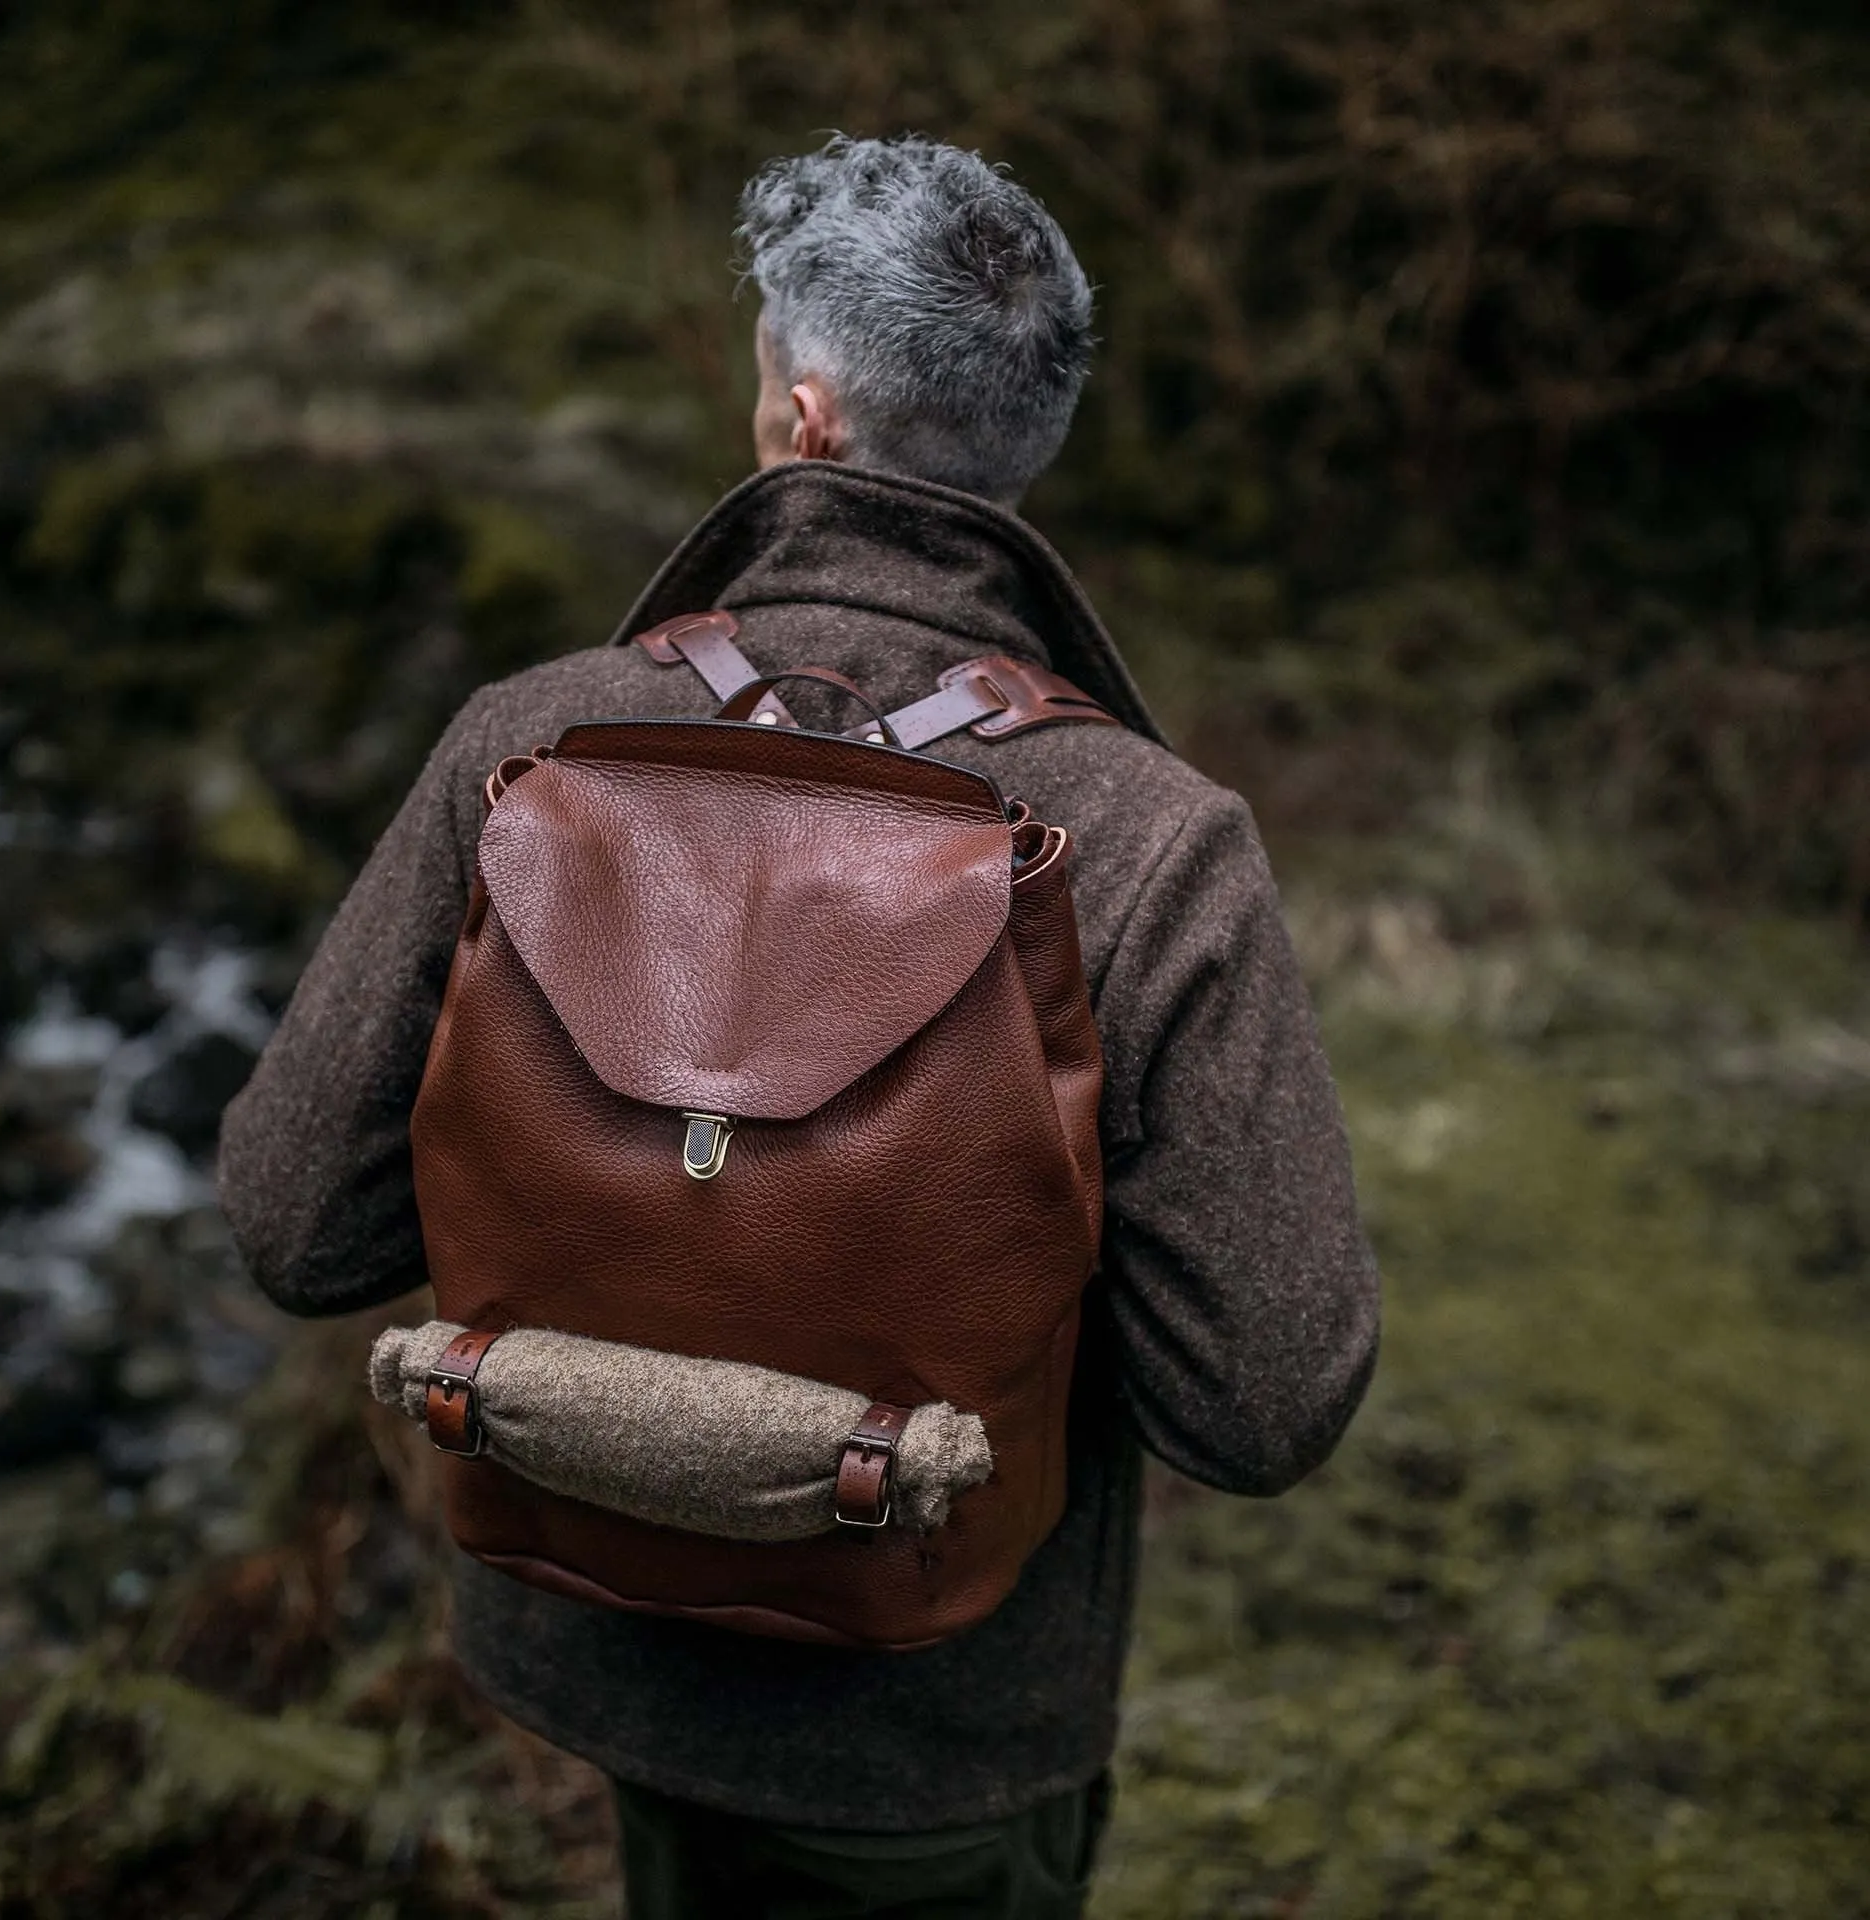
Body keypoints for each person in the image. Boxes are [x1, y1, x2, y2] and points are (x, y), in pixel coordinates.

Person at [218, 134, 1380, 1920]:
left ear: (806, 417)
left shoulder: (533, 739)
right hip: (944, 1732)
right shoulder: (1153, 841)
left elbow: (300, 1225)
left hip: (590, 1652)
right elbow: (1269, 1399)